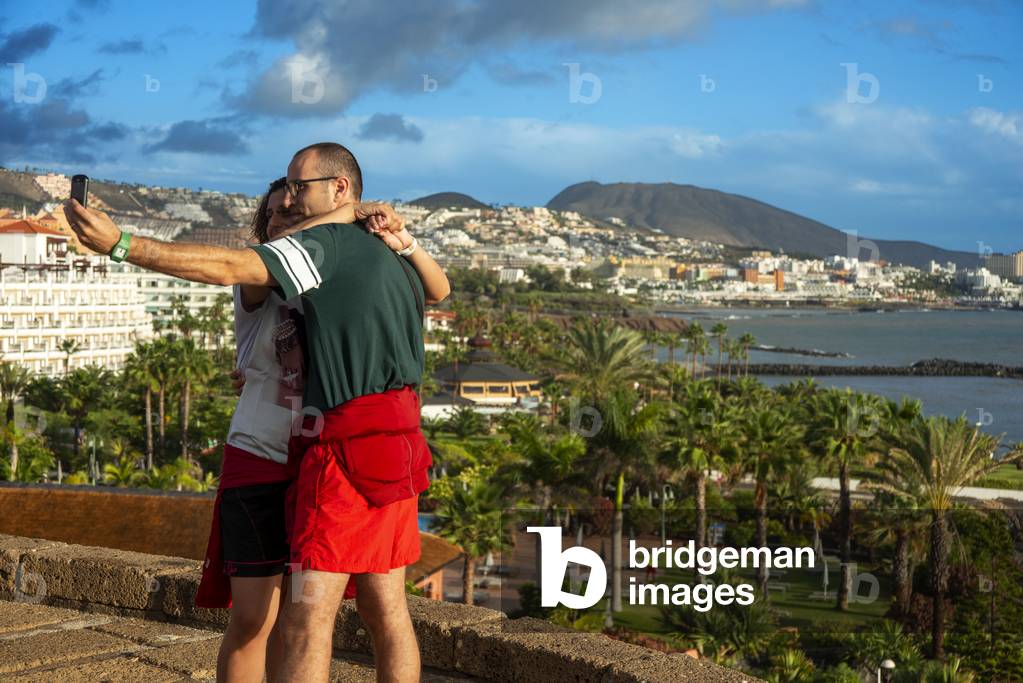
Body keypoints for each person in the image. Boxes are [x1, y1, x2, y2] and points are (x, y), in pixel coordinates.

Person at [65, 142, 445, 683]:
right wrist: (390, 231)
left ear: (338, 190)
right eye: (280, 200)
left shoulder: (329, 248)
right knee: (373, 609)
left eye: (298, 191)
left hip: (339, 453)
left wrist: (123, 243)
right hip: (380, 451)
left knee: (309, 617)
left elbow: (228, 265)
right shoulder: (381, 251)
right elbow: (437, 287)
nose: (289, 201)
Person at [195, 176, 449, 682]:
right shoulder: (259, 276)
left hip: (317, 457)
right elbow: (242, 269)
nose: (285, 222)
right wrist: (349, 212)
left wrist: (382, 232)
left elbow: (437, 290)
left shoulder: (338, 275)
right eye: (274, 216)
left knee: (299, 615)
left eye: (292, 213)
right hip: (261, 455)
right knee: (252, 618)